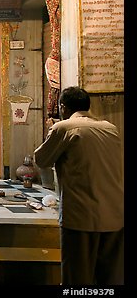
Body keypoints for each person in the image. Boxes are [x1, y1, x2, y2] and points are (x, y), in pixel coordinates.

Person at [34, 86, 123, 285]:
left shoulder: (64, 128)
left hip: (81, 217)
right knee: (110, 278)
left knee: (77, 279)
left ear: (63, 107)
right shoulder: (110, 128)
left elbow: (41, 160)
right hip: (115, 215)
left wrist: (52, 129)